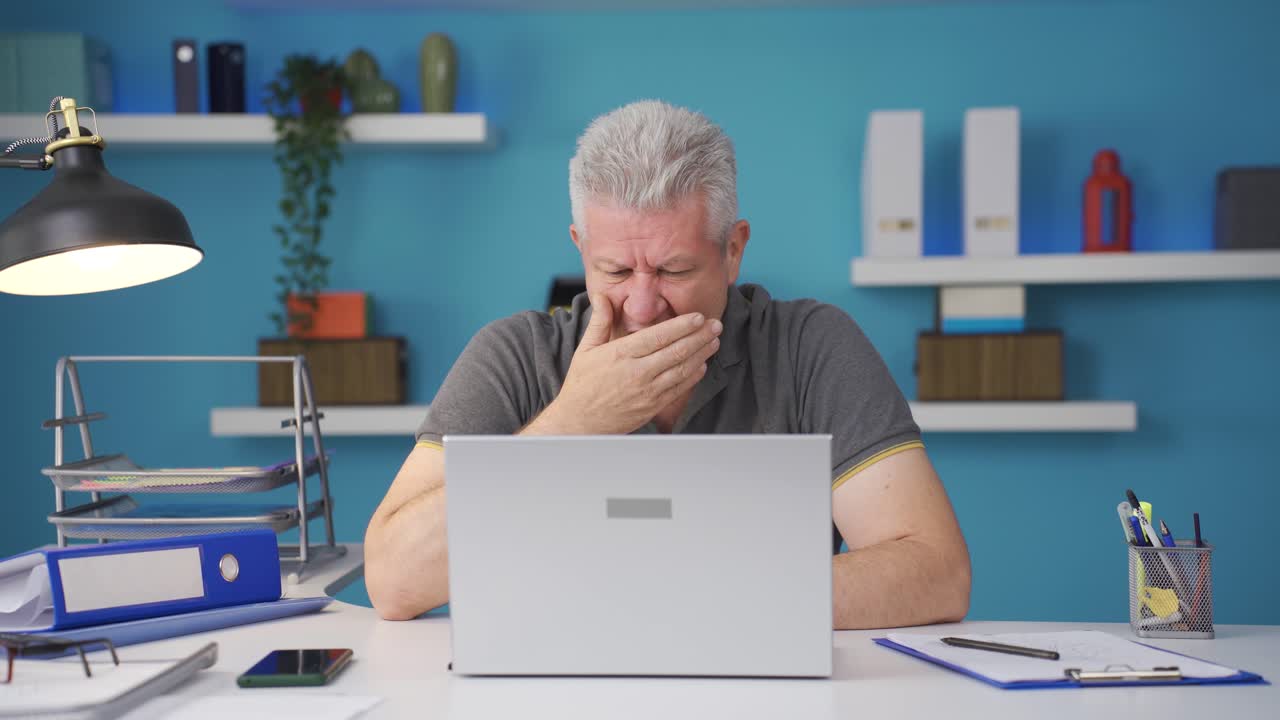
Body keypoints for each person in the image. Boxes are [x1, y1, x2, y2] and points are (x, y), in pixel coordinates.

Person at [365, 100, 970, 630]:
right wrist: (572, 424)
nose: (644, 305)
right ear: (579, 247)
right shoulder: (514, 355)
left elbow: (937, 572)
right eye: (616, 272)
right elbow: (394, 582)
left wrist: (679, 604)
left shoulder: (810, 345)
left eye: (675, 271)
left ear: (733, 251)